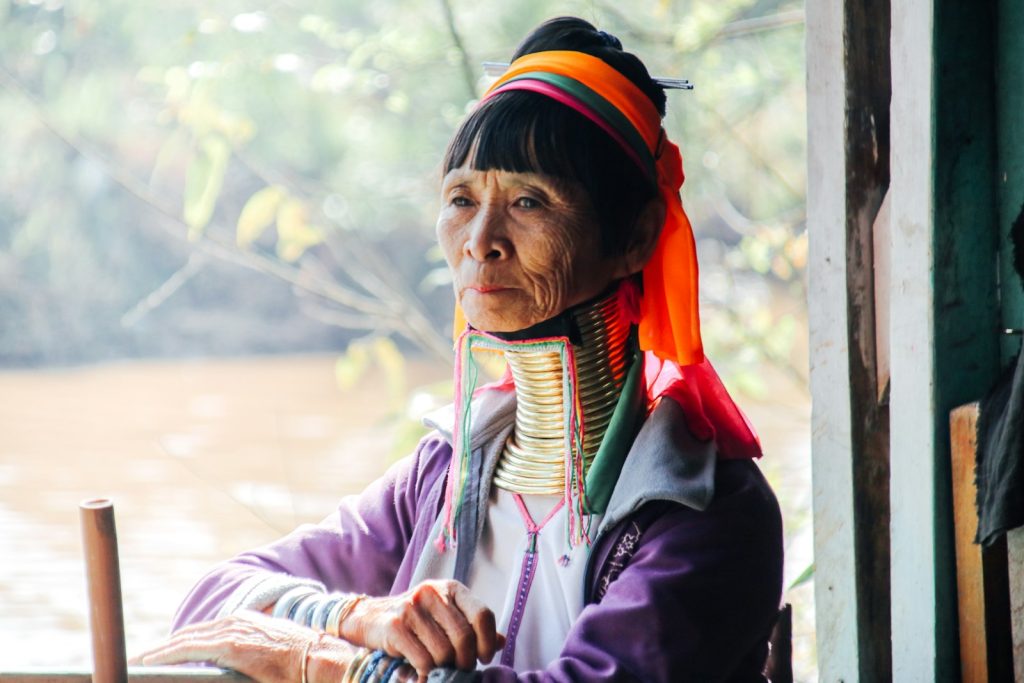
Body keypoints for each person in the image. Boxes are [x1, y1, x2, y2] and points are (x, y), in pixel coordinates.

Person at [139, 16, 784, 682]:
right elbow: (210, 604)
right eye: (461, 198)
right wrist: (357, 616)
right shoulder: (446, 471)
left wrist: (335, 666)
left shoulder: (704, 507)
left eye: (530, 201)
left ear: (635, 237)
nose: (480, 239)